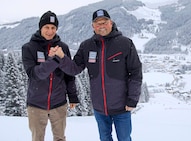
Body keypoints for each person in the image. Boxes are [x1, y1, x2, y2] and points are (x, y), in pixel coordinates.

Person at [52, 9, 142, 141]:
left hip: (122, 106)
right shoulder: (86, 46)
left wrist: (132, 99)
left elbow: (135, 73)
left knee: (124, 138)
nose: (101, 26)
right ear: (93, 26)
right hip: (100, 108)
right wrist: (61, 57)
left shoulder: (125, 43)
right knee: (104, 138)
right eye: (98, 23)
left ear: (110, 23)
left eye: (104, 22)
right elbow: (74, 69)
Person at [21, 11, 79, 141]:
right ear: (40, 27)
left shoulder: (63, 47)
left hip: (59, 103)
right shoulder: (29, 48)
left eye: (53, 28)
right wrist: (55, 59)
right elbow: (35, 74)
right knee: (37, 138)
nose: (50, 31)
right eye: (46, 27)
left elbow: (69, 74)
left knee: (60, 138)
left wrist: (73, 96)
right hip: (36, 104)